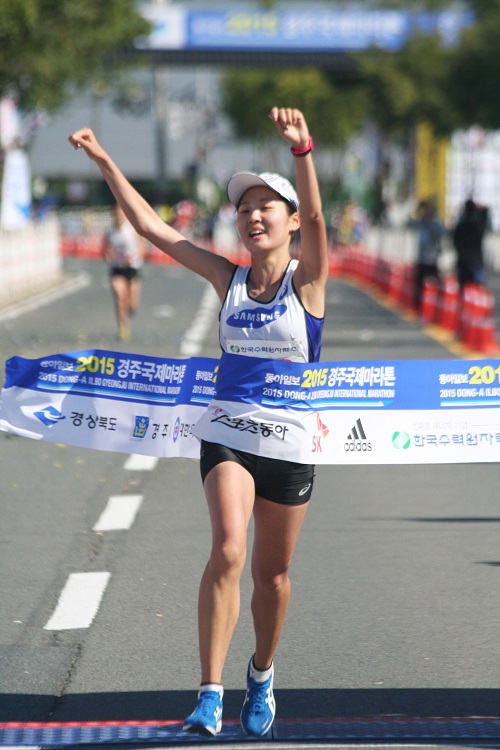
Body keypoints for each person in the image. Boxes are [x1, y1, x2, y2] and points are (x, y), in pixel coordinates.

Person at [68, 106, 328, 738]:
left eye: (268, 206)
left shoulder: (310, 282)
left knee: (273, 576)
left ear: (291, 223)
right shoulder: (227, 278)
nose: (254, 214)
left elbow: (321, 218)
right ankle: (210, 692)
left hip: (290, 444)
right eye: (244, 207)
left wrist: (303, 152)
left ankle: (261, 674)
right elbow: (153, 228)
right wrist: (104, 159)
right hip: (229, 436)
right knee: (229, 548)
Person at [102, 204, 146, 341]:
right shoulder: (110, 232)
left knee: (132, 305)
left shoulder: (131, 230)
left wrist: (134, 256)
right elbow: (104, 250)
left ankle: (128, 312)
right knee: (120, 299)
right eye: (116, 214)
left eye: (121, 214)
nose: (118, 217)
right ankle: (123, 329)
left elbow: (143, 248)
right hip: (117, 269)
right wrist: (108, 255)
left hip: (132, 268)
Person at [409, 199, 447, 312]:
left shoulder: (435, 224)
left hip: (432, 259)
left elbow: (442, 233)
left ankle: (440, 307)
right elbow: (410, 222)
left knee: (439, 284)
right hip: (421, 259)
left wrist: (432, 223)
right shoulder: (419, 223)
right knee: (419, 286)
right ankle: (418, 308)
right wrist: (418, 209)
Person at [452, 198, 489, 290]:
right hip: (476, 261)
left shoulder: (461, 225)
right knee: (476, 289)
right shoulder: (478, 224)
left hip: (463, 261)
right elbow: (485, 217)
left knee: (463, 288)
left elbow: (455, 241)